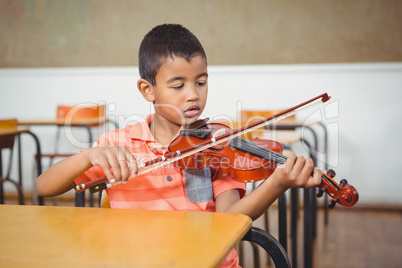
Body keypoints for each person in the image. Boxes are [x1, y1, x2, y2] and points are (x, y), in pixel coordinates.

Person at [35, 24, 322, 267]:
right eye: (178, 85)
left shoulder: (217, 148)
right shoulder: (117, 144)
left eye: (200, 82)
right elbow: (44, 187)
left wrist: (277, 183)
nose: (192, 95)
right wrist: (89, 156)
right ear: (148, 90)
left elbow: (229, 220)